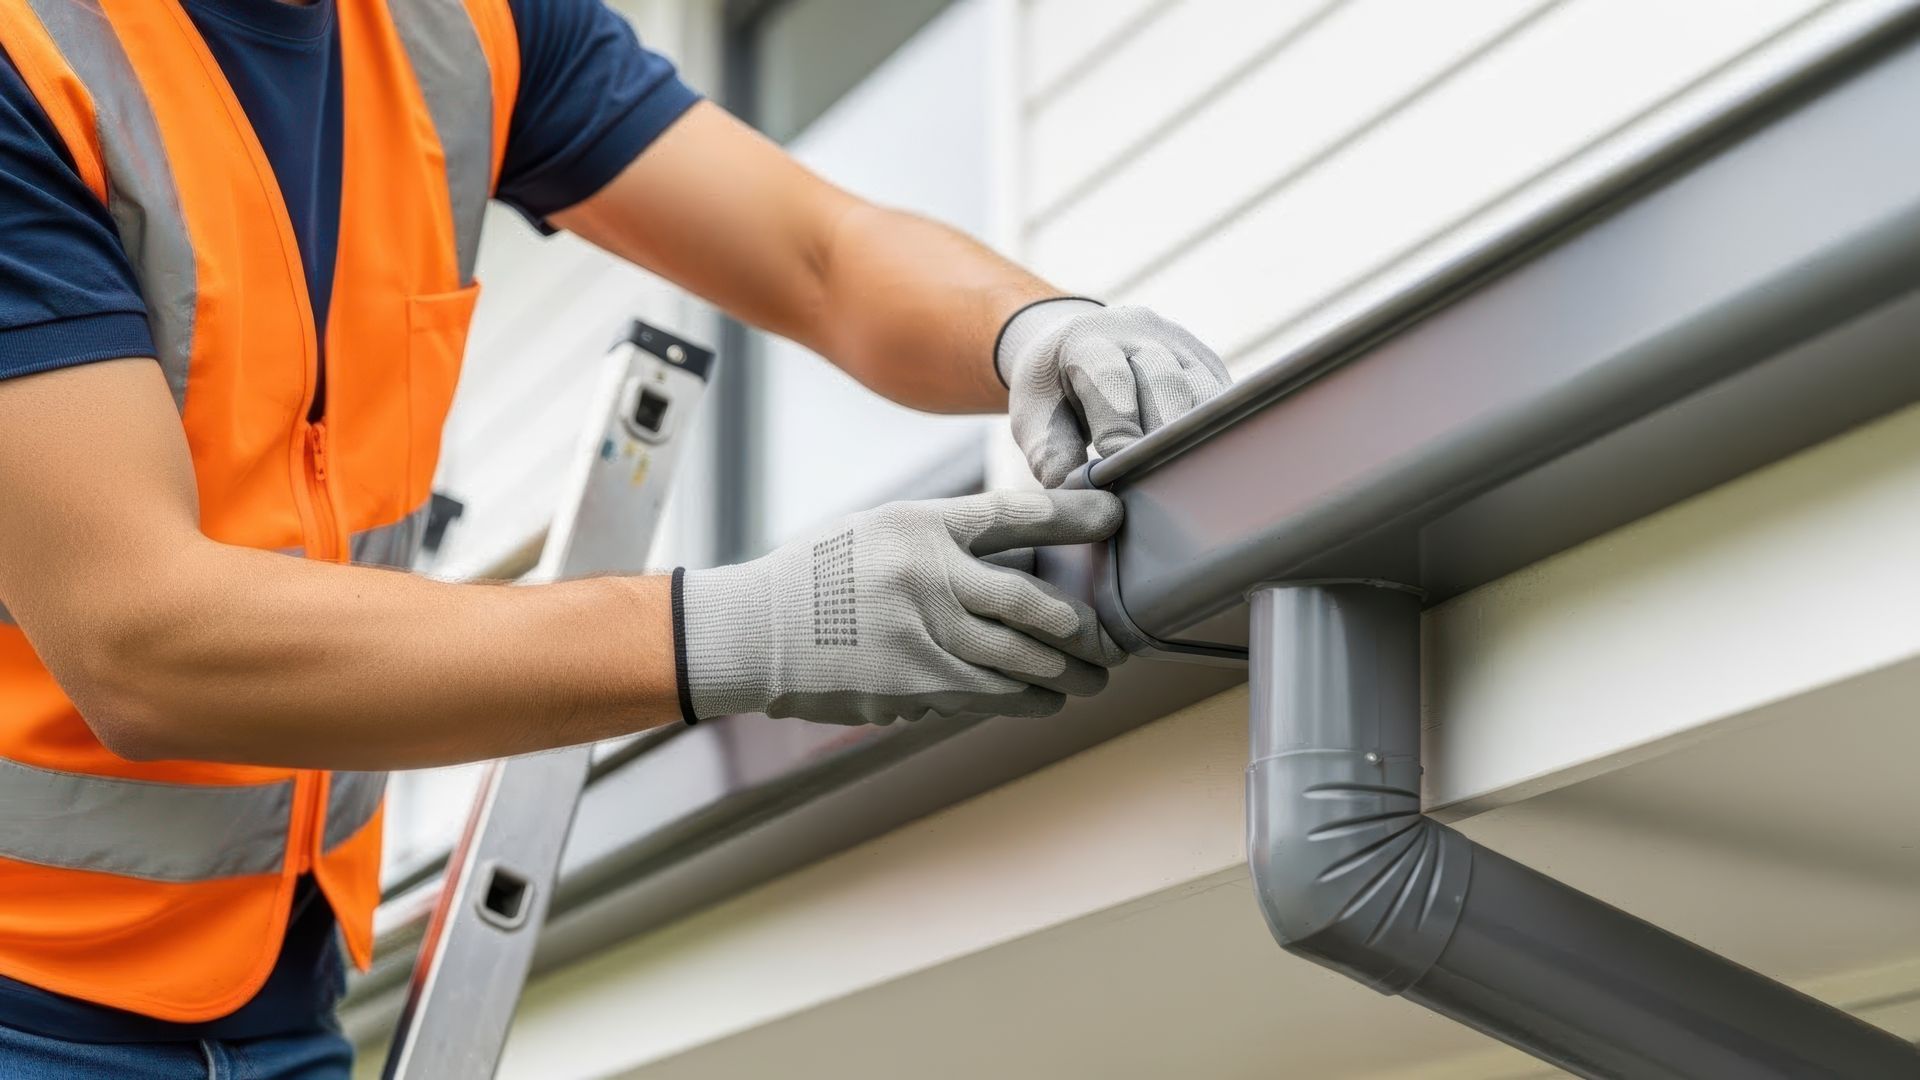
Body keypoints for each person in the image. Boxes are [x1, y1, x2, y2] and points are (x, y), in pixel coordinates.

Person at [0, 0, 1229, 1075]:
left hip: (278, 992)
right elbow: (143, 641)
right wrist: (754, 627)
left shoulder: (461, 25)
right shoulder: (32, 60)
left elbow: (819, 253)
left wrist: (1031, 325)